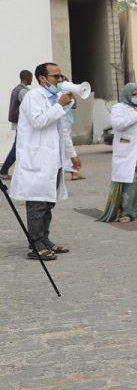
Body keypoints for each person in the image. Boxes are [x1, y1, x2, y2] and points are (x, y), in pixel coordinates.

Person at [10, 63, 79, 260]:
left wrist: (72, 154)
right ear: (42, 78)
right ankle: (35, 245)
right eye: (55, 76)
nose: (60, 80)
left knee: (48, 203)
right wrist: (60, 106)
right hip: (37, 159)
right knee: (37, 203)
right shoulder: (33, 97)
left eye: (60, 76)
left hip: (54, 160)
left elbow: (63, 130)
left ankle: (44, 239)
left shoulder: (57, 98)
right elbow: (38, 121)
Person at [98, 82, 137, 223]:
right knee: (129, 181)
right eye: (134, 94)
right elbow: (118, 124)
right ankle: (124, 212)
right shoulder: (118, 108)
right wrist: (136, 114)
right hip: (128, 150)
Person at [0, 69, 32, 180]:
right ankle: (3, 170)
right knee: (18, 147)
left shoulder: (16, 89)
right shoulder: (23, 91)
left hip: (18, 123)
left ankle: (6, 170)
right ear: (26, 77)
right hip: (22, 124)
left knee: (19, 146)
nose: (32, 80)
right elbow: (30, 107)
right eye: (31, 77)